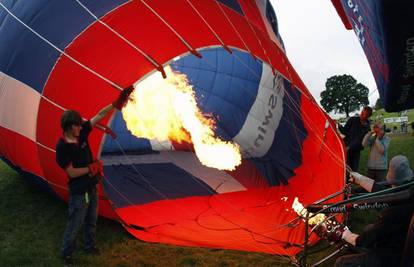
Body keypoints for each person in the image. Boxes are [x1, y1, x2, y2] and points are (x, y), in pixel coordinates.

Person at [56, 86, 134, 266]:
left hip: (92, 185)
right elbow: (71, 173)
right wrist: (91, 168)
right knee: (76, 221)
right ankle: (66, 254)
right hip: (79, 190)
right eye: (76, 125)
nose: (80, 126)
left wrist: (116, 104)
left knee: (92, 218)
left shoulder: (81, 132)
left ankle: (89, 246)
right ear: (69, 128)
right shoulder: (62, 148)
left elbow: (99, 115)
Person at [334, 155, 414, 266]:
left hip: (391, 257)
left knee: (341, 262)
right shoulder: (407, 193)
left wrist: (345, 234)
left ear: (390, 178)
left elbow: (366, 239)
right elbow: (384, 192)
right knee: (368, 228)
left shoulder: (393, 212)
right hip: (402, 242)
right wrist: (360, 179)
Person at [339, 106, 373, 173]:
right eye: (362, 112)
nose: (361, 114)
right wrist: (339, 126)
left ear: (368, 116)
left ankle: (352, 182)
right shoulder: (352, 120)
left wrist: (350, 147)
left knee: (354, 170)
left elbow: (360, 141)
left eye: (364, 114)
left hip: (356, 151)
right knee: (344, 168)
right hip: (346, 148)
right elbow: (345, 131)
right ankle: (345, 182)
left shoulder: (367, 128)